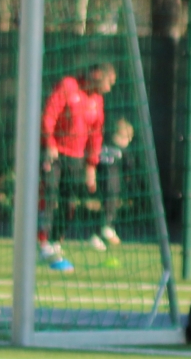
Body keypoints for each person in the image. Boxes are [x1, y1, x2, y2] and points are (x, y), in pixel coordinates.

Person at [39, 62, 115, 271]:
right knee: (49, 195)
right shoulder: (68, 86)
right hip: (55, 153)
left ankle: (55, 243)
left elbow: (96, 135)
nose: (109, 88)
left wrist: (91, 166)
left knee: (68, 202)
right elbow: (49, 115)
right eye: (109, 82)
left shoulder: (97, 100)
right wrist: (50, 144)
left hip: (76, 158)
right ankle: (42, 243)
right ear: (97, 75)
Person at [95, 115, 134, 251]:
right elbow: (129, 166)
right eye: (125, 138)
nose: (127, 141)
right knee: (110, 206)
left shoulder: (104, 146)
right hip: (111, 185)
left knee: (109, 206)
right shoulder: (121, 150)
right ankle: (105, 229)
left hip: (104, 183)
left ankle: (104, 231)